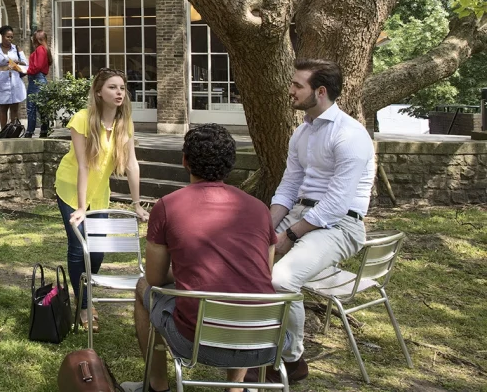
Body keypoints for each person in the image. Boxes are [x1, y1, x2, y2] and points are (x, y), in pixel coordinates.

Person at [243, 58, 375, 385]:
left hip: (340, 224)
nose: (289, 90)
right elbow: (289, 185)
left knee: (282, 279)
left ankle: (292, 359)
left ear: (319, 92)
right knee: (245, 262)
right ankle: (254, 346)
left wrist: (290, 233)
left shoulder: (350, 135)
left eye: (296, 85)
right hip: (300, 213)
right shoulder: (302, 131)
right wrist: (267, 227)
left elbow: (336, 203)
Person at [130, 124, 283, 392]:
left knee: (143, 287)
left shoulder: (167, 205)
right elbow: (262, 274)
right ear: (230, 164)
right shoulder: (260, 209)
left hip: (197, 341)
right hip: (261, 342)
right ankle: (235, 388)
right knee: (243, 293)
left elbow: (155, 278)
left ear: (185, 161)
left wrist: (185, 273)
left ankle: (157, 385)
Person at [55, 68, 147, 331]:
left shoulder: (124, 123)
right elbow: (83, 166)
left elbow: (131, 164)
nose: (119, 92)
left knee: (98, 250)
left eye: (122, 87)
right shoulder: (82, 119)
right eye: (112, 87)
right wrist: (82, 207)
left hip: (99, 192)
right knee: (79, 245)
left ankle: (85, 292)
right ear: (98, 92)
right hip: (72, 187)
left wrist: (137, 203)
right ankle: (84, 305)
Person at [0, 25, 27, 132]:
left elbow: (26, 63)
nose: (10, 39)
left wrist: (17, 62)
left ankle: (13, 131)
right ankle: (3, 131)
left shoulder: (17, 48)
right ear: (2, 36)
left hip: (15, 80)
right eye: (8, 37)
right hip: (1, 81)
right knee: (3, 108)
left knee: (15, 108)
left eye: (11, 37)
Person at [24, 29, 53, 138]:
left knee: (31, 107)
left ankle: (30, 132)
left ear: (37, 39)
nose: (32, 40)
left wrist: (25, 71)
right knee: (42, 107)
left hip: (36, 79)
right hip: (40, 79)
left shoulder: (40, 49)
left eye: (33, 37)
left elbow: (37, 67)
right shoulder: (45, 49)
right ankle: (44, 131)